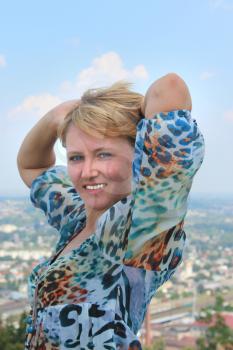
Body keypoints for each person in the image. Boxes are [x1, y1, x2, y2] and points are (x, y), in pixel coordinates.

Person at [17, 73, 205, 350]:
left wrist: (118, 114)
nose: (88, 171)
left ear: (138, 154)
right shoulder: (77, 216)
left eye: (104, 154)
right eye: (76, 157)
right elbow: (31, 166)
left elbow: (170, 88)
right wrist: (57, 116)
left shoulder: (142, 227)